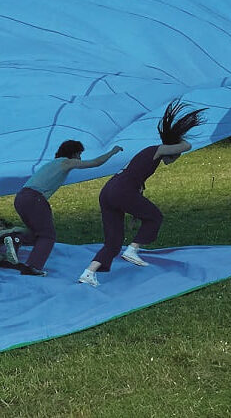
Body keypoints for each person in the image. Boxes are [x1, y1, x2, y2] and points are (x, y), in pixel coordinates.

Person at [78, 100, 206, 288]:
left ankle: (88, 273)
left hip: (108, 191)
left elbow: (135, 189)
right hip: (121, 191)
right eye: (175, 156)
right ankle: (132, 250)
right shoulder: (158, 150)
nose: (174, 159)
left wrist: (135, 214)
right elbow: (186, 146)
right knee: (155, 217)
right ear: (170, 151)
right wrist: (177, 139)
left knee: (113, 242)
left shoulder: (145, 157)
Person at [12, 141, 123, 276]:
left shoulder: (51, 164)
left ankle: (13, 238)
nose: (80, 158)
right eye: (80, 154)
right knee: (47, 235)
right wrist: (113, 151)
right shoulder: (66, 162)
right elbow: (95, 162)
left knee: (37, 233)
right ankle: (32, 268)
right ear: (74, 153)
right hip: (35, 199)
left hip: (20, 198)